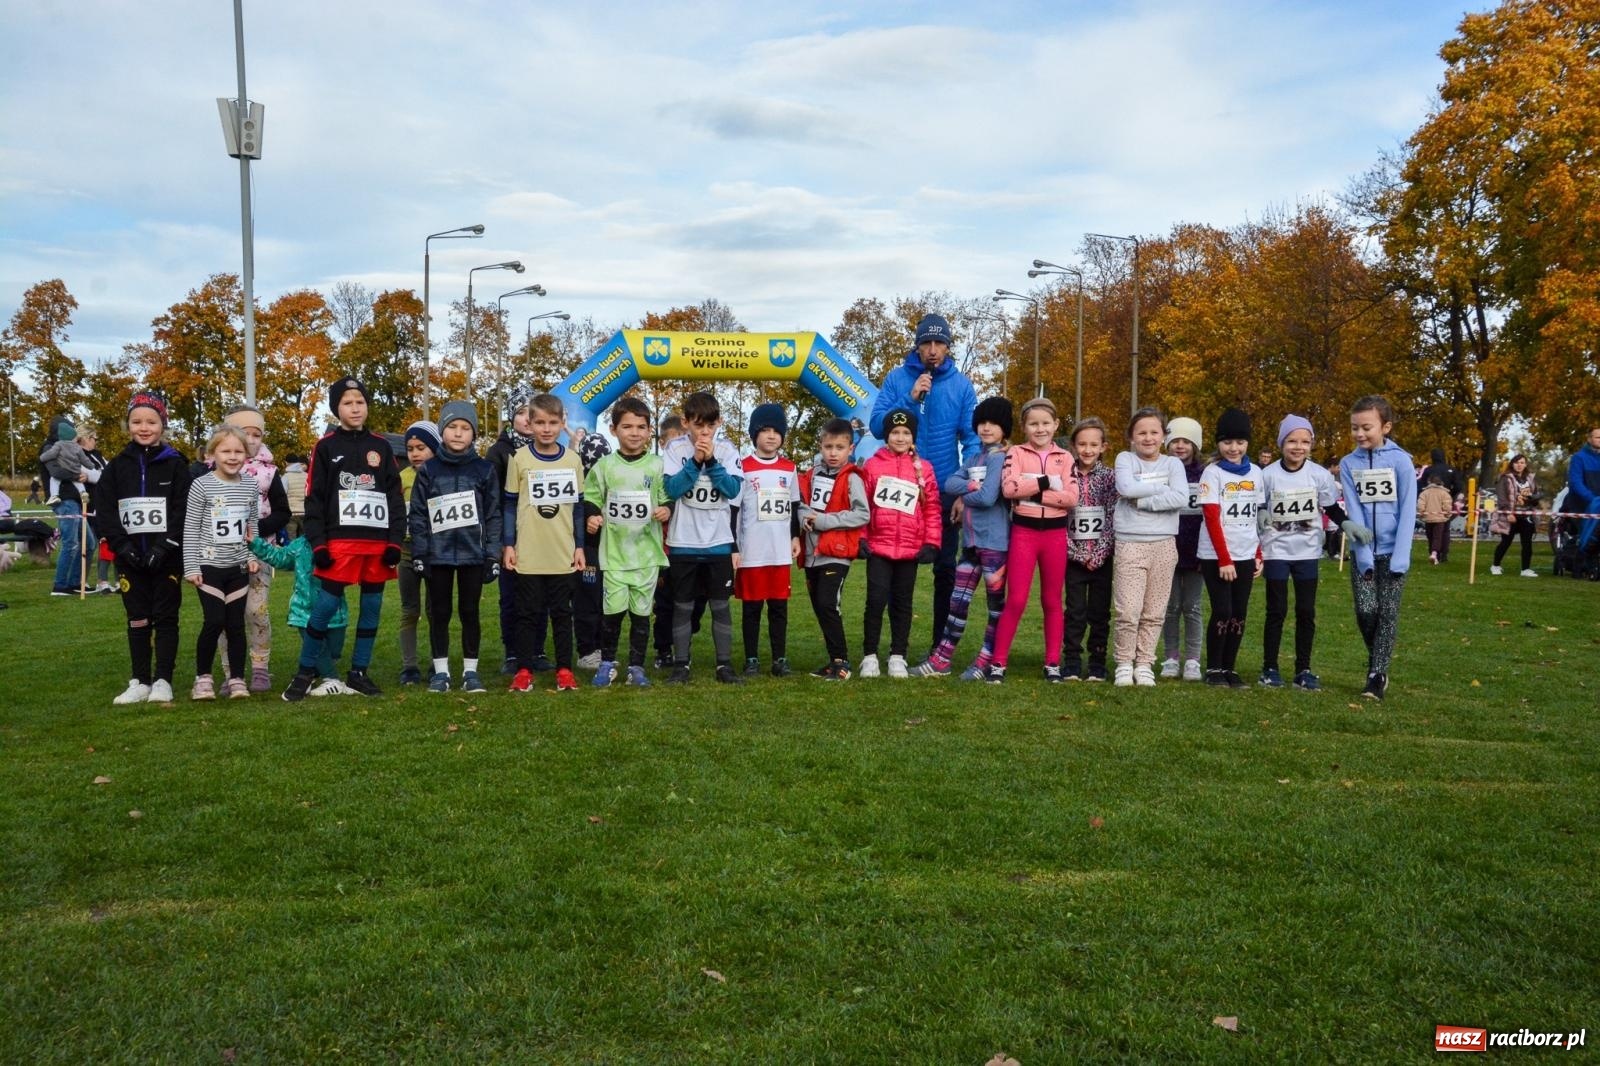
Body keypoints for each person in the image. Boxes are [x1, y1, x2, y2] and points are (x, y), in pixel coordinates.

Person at [282, 377, 407, 702]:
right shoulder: (325, 447)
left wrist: (395, 541)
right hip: (341, 544)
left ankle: (359, 671)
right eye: (347, 402)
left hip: (376, 544)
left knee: (372, 607)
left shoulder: (381, 447)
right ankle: (305, 670)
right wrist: (319, 544)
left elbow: (395, 498)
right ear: (336, 409)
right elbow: (314, 499)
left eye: (360, 402)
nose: (355, 408)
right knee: (325, 606)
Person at [868, 314, 979, 652]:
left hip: (943, 490)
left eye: (939, 343)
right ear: (917, 346)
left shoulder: (962, 386)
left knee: (945, 569)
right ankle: (892, 649)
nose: (932, 350)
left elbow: (972, 440)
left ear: (948, 346)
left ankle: (939, 648)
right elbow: (877, 426)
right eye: (926, 343)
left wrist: (964, 491)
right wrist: (910, 397)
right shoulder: (897, 378)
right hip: (898, 490)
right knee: (892, 569)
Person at [95, 392, 190, 704]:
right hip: (130, 559)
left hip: (166, 558)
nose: (144, 427)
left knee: (165, 618)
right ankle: (140, 680)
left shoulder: (176, 464)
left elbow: (182, 510)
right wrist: (123, 547)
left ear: (163, 424)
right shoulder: (116, 467)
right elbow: (105, 511)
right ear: (128, 425)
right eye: (137, 422)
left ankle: (163, 680)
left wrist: (164, 547)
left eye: (151, 421)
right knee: (137, 618)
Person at [915, 397, 1012, 680]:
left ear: (1004, 428)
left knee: (995, 607)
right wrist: (971, 485)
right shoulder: (973, 459)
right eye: (982, 422)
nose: (986, 428)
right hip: (970, 543)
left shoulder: (1000, 458)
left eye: (993, 423)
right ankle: (941, 659)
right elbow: (950, 483)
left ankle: (986, 659)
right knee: (957, 602)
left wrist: (966, 495)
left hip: (995, 544)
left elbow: (988, 497)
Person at [409, 400, 503, 694]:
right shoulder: (429, 470)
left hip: (473, 555)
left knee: (469, 612)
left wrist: (493, 555)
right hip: (437, 555)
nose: (459, 433)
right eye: (452, 427)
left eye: (465, 428)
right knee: (439, 613)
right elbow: (418, 514)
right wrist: (420, 552)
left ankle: (470, 672)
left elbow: (493, 514)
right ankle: (441, 673)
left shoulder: (485, 470)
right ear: (442, 431)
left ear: (474, 433)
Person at [986, 397, 1078, 683]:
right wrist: (1047, 482)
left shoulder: (1065, 457)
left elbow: (1071, 498)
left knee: (1052, 600)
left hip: (1055, 535)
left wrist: (1033, 492)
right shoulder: (1016, 452)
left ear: (1056, 425)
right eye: (1033, 424)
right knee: (1016, 599)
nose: (1040, 429)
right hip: (1024, 534)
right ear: (1024, 427)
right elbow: (1009, 489)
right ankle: (998, 662)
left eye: (1046, 423)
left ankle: (1052, 663)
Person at [582, 395, 671, 688]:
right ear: (614, 429)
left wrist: (666, 509)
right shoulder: (604, 466)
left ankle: (636, 667)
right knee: (613, 613)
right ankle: (607, 664)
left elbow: (666, 498)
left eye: (641, 427)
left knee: (641, 615)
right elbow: (592, 496)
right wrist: (592, 516)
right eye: (627, 426)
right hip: (615, 555)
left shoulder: (657, 466)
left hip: (646, 556)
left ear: (650, 431)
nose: (634, 433)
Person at [503, 393, 586, 693]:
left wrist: (579, 546)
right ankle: (524, 670)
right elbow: (510, 503)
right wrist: (509, 544)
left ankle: (564, 670)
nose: (546, 429)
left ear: (562, 423)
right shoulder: (519, 459)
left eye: (552, 422)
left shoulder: (572, 460)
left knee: (562, 614)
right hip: (529, 551)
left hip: (562, 551)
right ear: (530, 423)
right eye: (540, 423)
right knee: (526, 614)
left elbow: (578, 507)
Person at [1337, 395, 1417, 701]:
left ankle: (1376, 676)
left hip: (1394, 552)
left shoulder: (1401, 461)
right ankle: (1378, 661)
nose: (1359, 434)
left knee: (1388, 614)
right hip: (1365, 552)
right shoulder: (1348, 464)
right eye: (1354, 427)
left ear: (1386, 427)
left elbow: (1408, 510)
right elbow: (1354, 508)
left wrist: (1401, 556)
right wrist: (1362, 553)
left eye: (1366, 427)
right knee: (1366, 611)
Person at [1258, 415, 1346, 690]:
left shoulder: (1319, 475)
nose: (1298, 447)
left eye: (1305, 442)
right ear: (1281, 443)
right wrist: (1260, 515)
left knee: (1306, 611)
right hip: (1276, 550)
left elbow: (1330, 507)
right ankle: (1270, 667)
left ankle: (1303, 669)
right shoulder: (1267, 475)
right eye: (1292, 441)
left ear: (1311, 444)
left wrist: (1347, 524)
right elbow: (1259, 506)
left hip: (1307, 552)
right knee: (1277, 610)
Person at [661, 391, 743, 684]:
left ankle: (724, 666)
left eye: (710, 425)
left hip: (718, 543)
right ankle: (681, 665)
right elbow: (672, 490)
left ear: (719, 422)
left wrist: (712, 461)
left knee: (720, 606)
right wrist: (696, 462)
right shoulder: (674, 449)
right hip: (683, 543)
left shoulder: (728, 450)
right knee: (682, 606)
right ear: (685, 423)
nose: (704, 432)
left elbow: (732, 490)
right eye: (698, 425)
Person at [858, 408, 942, 678]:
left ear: (913, 437)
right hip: (878, 547)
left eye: (906, 432)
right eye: (895, 432)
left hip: (910, 549)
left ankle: (898, 656)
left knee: (903, 604)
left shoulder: (924, 469)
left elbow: (932, 508)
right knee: (875, 601)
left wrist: (932, 542)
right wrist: (861, 537)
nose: (900, 437)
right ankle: (869, 656)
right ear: (887, 435)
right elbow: (863, 504)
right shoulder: (872, 465)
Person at [1111, 407, 1190, 686]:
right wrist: (1162, 490)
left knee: (1154, 611)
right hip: (1130, 542)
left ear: (1163, 436)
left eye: (1154, 432)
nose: (1148, 438)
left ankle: (1144, 663)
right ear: (1131, 437)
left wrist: (1143, 501)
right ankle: (1124, 662)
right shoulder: (1125, 459)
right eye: (1141, 432)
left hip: (1164, 544)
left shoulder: (1173, 464)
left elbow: (1180, 497)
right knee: (1128, 610)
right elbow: (1126, 488)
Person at [217, 405, 291, 691]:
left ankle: (260, 668)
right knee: (225, 615)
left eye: (256, 434)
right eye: (244, 433)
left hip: (260, 554)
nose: (250, 440)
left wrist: (255, 530)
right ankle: (230, 672)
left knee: (256, 611)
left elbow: (282, 512)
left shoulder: (269, 473)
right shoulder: (212, 472)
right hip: (222, 555)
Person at [182, 425, 260, 700]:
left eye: (239, 451)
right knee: (214, 621)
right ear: (212, 453)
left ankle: (237, 679)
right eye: (226, 451)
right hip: (208, 567)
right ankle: (203, 679)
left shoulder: (251, 485)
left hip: (237, 567)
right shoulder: (201, 485)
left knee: (236, 624)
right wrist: (191, 566)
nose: (232, 456)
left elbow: (252, 526)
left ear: (246, 454)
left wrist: (252, 555)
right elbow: (191, 528)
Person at [1196, 408, 1266, 689]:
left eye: (1240, 442)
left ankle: (1230, 667)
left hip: (1246, 553)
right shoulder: (1212, 473)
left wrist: (1258, 554)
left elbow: (1256, 516)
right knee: (1222, 610)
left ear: (1248, 443)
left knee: (1239, 612)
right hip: (1217, 555)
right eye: (1227, 442)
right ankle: (1214, 667)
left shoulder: (1257, 473)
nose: (1233, 448)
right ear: (1219, 443)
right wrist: (1224, 559)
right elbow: (1212, 518)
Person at [799, 418, 870, 681]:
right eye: (828, 447)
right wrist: (804, 518)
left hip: (836, 553)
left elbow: (862, 514)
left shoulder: (852, 478)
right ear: (820, 446)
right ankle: (833, 661)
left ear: (850, 449)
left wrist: (824, 521)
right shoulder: (811, 474)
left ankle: (842, 663)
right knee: (819, 606)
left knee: (828, 604)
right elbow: (801, 503)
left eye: (839, 448)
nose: (833, 453)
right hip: (811, 553)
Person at [735, 403, 802, 677]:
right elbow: (735, 510)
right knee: (751, 608)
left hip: (779, 552)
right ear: (755, 435)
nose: (771, 436)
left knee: (778, 607)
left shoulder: (789, 468)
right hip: (752, 551)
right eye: (765, 430)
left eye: (776, 431)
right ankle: (751, 659)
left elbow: (794, 506)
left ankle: (779, 659)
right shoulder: (743, 467)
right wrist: (734, 547)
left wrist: (795, 536)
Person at [488, 387, 549, 674]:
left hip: (543, 536)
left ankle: (537, 649)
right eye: (521, 412)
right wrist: (502, 539)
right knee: (511, 597)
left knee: (541, 596)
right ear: (512, 417)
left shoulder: (550, 449)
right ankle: (512, 652)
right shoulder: (499, 452)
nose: (526, 418)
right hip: (511, 538)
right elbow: (493, 499)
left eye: (531, 412)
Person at [249, 532, 351, 696]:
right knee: (319, 648)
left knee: (334, 651)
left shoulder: (339, 543)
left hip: (336, 611)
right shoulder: (300, 545)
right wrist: (256, 543)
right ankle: (332, 679)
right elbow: (280, 558)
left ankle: (308, 674)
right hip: (304, 611)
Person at [1063, 416, 1117, 682]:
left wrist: (1099, 553)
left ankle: (1097, 662)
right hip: (1073, 556)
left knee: (1099, 612)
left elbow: (1113, 516)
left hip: (1102, 557)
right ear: (1074, 445)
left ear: (1103, 447)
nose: (1087, 450)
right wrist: (1076, 552)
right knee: (1074, 611)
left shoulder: (1110, 477)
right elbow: (1059, 517)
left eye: (1093, 445)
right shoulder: (1065, 474)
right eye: (1082, 444)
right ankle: (1072, 661)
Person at [1159, 417, 1205, 682]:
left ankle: (1193, 660)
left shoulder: (1205, 474)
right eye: (1175, 440)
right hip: (1168, 546)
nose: (1180, 446)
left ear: (1195, 445)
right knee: (1171, 606)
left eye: (1186, 441)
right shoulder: (1162, 471)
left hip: (1197, 549)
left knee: (1192, 606)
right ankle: (1171, 657)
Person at [395, 421, 438, 685]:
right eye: (410, 449)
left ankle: (437, 662)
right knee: (409, 609)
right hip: (407, 551)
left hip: (435, 552)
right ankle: (409, 666)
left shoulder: (442, 474)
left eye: (421, 448)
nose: (415, 454)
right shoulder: (402, 478)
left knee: (436, 610)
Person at [43, 420, 99, 595]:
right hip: (64, 500)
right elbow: (56, 472)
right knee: (71, 543)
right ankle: (60, 585)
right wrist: (77, 474)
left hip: (75, 500)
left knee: (89, 544)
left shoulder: (69, 447)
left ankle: (75, 582)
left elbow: (87, 466)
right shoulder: (49, 448)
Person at [572, 427, 612, 670]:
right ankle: (587, 650)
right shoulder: (576, 483)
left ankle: (603, 648)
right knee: (587, 601)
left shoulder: (613, 481)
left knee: (607, 602)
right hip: (586, 550)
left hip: (611, 550)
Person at [1489, 454, 1540, 577]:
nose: (1519, 465)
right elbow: (1502, 498)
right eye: (1517, 462)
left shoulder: (1530, 479)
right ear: (1512, 464)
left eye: (1522, 462)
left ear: (1525, 464)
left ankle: (1525, 569)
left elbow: (1536, 495)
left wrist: (1534, 498)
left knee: (1527, 543)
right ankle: (1495, 565)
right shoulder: (1505, 478)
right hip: (1511, 515)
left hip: (1526, 515)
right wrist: (1508, 513)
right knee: (1506, 542)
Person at [1566, 426, 1600, 556]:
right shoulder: (1579, 457)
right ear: (1589, 439)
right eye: (1598, 437)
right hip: (1584, 506)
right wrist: (1593, 499)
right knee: (1587, 541)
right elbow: (1575, 482)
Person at [1417, 476, 1453, 565]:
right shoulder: (1445, 493)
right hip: (1440, 519)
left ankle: (1433, 554)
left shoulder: (1424, 493)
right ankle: (1435, 554)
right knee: (1438, 537)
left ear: (1429, 482)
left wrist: (1421, 514)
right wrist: (1448, 515)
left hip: (1428, 518)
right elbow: (1447, 507)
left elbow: (1420, 506)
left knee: (1430, 537)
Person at [281, 454, 308, 539]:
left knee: (291, 541)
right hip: (305, 512)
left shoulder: (286, 477)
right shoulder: (307, 476)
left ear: (286, 463)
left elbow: (282, 495)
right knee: (304, 541)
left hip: (291, 513)